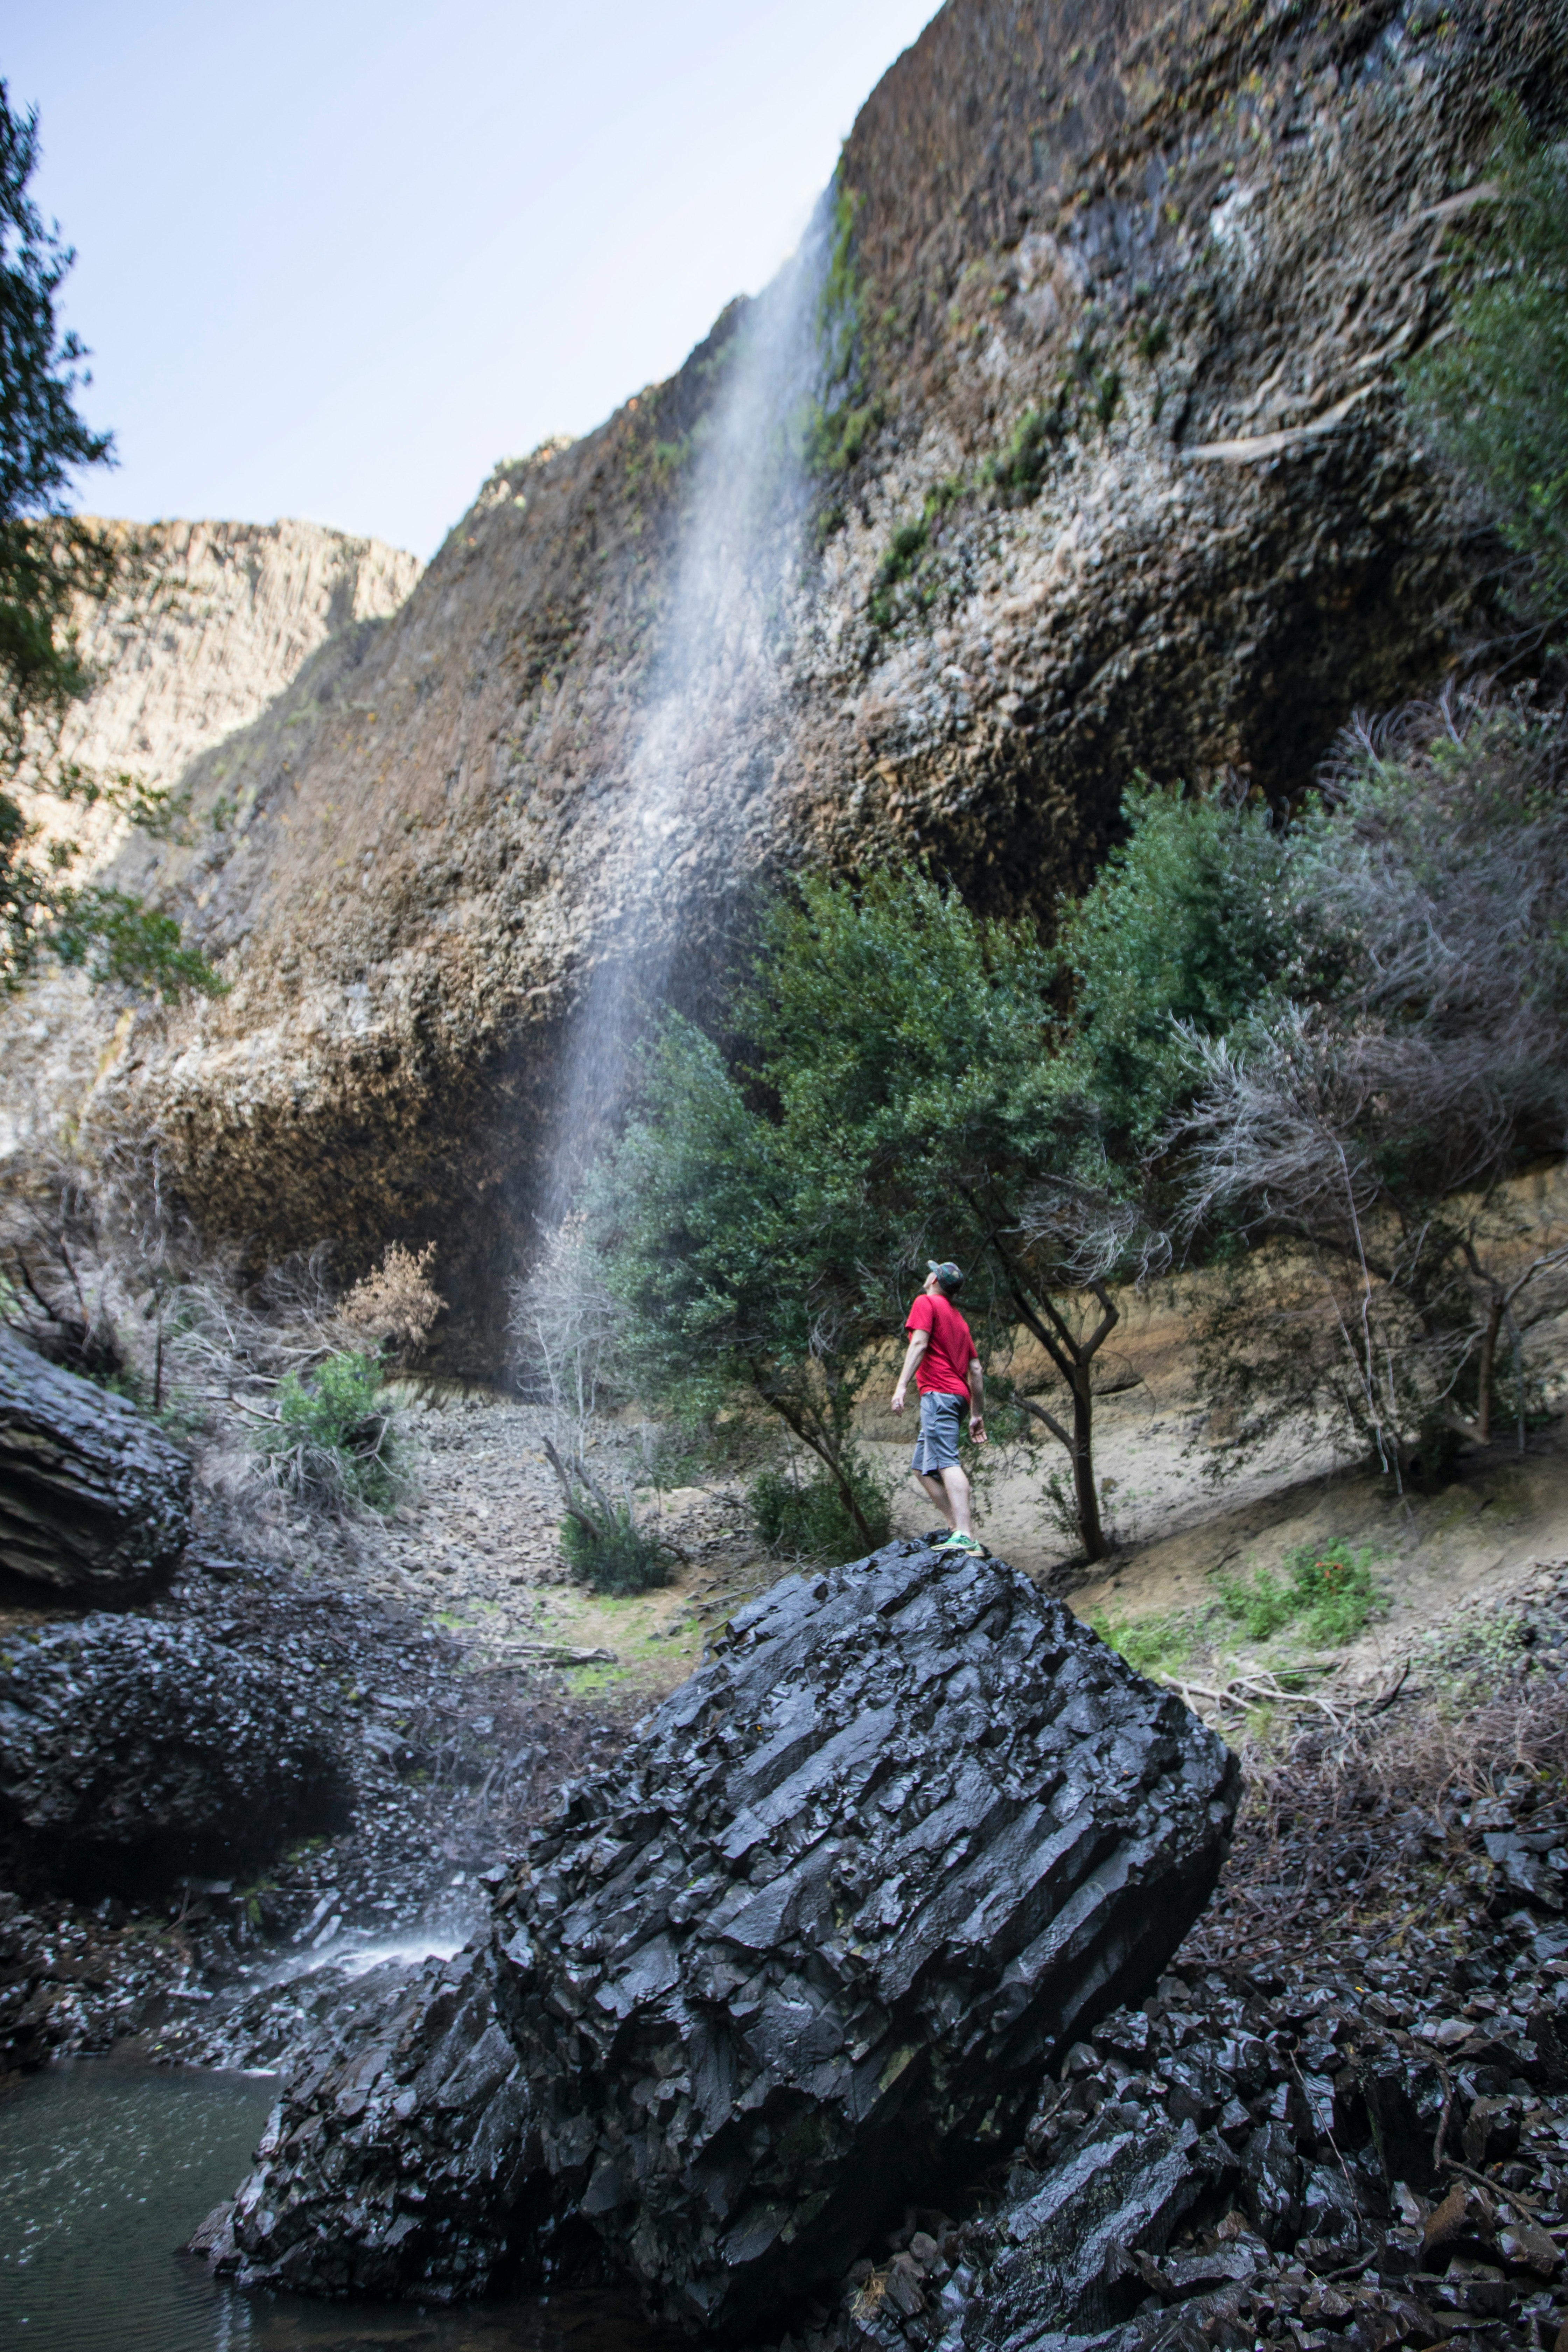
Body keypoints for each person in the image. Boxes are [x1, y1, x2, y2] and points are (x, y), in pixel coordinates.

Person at [890, 1259, 986, 1556]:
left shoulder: (926, 1303)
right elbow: (976, 1369)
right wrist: (977, 1414)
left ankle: (966, 1536)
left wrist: (902, 1386)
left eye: (930, 1271)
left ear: (934, 1279)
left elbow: (919, 1344)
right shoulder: (959, 1320)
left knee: (946, 1461)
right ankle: (954, 1527)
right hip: (957, 1398)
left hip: (939, 1394)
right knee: (921, 1468)